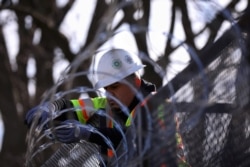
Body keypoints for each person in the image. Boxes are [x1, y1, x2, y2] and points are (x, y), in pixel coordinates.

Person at [25, 49, 156, 164]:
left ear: (136, 82)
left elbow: (131, 139)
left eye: (115, 87)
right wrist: (50, 109)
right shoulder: (105, 106)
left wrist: (87, 133)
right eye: (106, 89)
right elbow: (70, 107)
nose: (109, 95)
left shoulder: (156, 105)